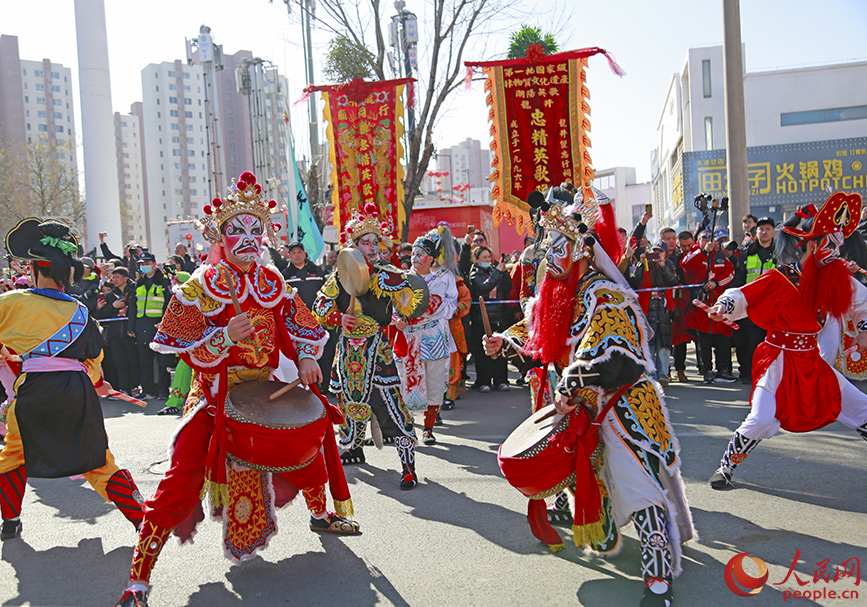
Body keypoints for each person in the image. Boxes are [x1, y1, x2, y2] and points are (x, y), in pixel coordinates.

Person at [114, 172, 354, 607]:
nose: (247, 238)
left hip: (264, 391)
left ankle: (321, 515)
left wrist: (304, 357)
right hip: (213, 397)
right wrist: (223, 337)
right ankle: (139, 580)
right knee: (180, 483)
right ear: (219, 235)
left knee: (306, 441)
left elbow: (301, 325)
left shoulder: (271, 280)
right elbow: (179, 348)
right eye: (236, 230)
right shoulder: (201, 284)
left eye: (254, 230)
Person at [485, 186, 693, 607]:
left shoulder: (605, 293)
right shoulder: (553, 295)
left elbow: (613, 354)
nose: (552, 254)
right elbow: (537, 338)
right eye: (548, 246)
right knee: (596, 486)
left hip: (621, 408)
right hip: (581, 409)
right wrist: (506, 343)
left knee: (638, 486)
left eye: (560, 245)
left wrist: (570, 384)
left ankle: (657, 576)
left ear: (581, 247)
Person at [707, 191, 867, 490]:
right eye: (830, 244)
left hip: (812, 361)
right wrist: (723, 307)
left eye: (839, 245)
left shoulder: (834, 278)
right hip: (778, 359)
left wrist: (863, 328)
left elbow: (862, 302)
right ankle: (726, 466)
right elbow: (743, 293)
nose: (836, 251)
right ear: (811, 244)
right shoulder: (780, 278)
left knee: (862, 408)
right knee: (760, 418)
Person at [0, 218, 144, 543]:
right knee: (97, 460)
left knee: (13, 454)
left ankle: (10, 522)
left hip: (34, 391)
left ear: (36, 268)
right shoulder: (81, 312)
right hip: (77, 392)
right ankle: (142, 520)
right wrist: (97, 381)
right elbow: (93, 361)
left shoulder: (12, 302)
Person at [312, 203, 427, 488]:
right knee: (350, 401)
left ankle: (407, 464)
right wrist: (339, 317)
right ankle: (353, 446)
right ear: (354, 247)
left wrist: (405, 310)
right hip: (348, 349)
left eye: (376, 242)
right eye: (366, 242)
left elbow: (412, 297)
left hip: (378, 347)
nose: (372, 247)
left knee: (391, 402)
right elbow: (318, 308)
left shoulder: (387, 273)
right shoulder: (340, 275)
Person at [395, 225, 458, 445]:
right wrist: (397, 320)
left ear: (431, 259)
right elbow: (393, 307)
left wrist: (407, 315)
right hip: (408, 338)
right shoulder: (401, 280)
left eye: (420, 254)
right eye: (413, 253)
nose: (415, 257)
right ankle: (408, 425)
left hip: (431, 337)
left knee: (433, 383)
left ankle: (428, 429)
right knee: (405, 383)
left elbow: (431, 307)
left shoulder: (438, 282)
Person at [681, 228, 736, 383]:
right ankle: (707, 370)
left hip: (719, 305)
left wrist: (716, 283)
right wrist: (704, 252)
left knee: (723, 339)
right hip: (701, 307)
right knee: (703, 342)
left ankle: (723, 370)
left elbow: (730, 273)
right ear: (698, 241)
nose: (708, 241)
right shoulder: (695, 254)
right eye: (704, 238)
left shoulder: (720, 257)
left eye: (710, 238)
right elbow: (687, 265)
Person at [731, 216, 776, 384]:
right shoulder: (747, 253)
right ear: (756, 232)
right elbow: (739, 279)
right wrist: (730, 295)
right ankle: (752, 375)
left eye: (767, 229)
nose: (764, 232)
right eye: (761, 229)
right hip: (752, 307)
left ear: (773, 232)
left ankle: (771, 375)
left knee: (772, 343)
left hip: (773, 308)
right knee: (752, 344)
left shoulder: (779, 252)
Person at [628, 241, 678, 384]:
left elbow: (674, 282)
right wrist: (641, 263)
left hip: (663, 309)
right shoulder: (643, 265)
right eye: (654, 252)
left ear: (666, 253)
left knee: (664, 344)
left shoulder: (668, 265)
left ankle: (663, 375)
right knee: (648, 343)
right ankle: (649, 375)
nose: (657, 255)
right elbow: (634, 280)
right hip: (646, 310)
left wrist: (663, 267)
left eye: (660, 252)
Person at [127, 251, 173, 399]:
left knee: (162, 362)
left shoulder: (164, 282)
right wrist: (131, 327)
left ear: (154, 264)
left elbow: (169, 305)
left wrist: (165, 322)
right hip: (142, 325)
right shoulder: (138, 284)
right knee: (144, 360)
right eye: (142, 264)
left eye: (147, 264)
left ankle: (163, 391)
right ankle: (147, 390)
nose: (144, 267)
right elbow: (133, 307)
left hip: (159, 325)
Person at [468, 245, 512, 392]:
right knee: (483, 353)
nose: (488, 260)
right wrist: (498, 271)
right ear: (476, 260)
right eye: (484, 258)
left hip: (499, 317)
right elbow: (484, 287)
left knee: (500, 351)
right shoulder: (474, 273)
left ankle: (501, 381)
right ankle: (483, 382)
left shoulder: (495, 271)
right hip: (482, 319)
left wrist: (504, 273)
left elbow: (508, 288)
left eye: (489, 257)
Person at [283, 242, 326, 310]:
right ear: (289, 255)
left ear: (304, 253)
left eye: (299, 252)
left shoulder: (317, 271)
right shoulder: (285, 275)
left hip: (316, 313)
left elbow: (325, 291)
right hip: (295, 314)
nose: (297, 255)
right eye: (293, 253)